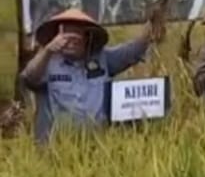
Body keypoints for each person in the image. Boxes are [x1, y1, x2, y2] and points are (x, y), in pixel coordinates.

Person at [19, 8, 155, 143]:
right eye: (65, 34)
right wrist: (48, 50)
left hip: (97, 147)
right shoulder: (47, 63)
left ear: (87, 37)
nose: (70, 40)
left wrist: (152, 25)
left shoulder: (103, 58)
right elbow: (29, 77)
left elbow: (132, 52)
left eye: (76, 33)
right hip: (56, 149)